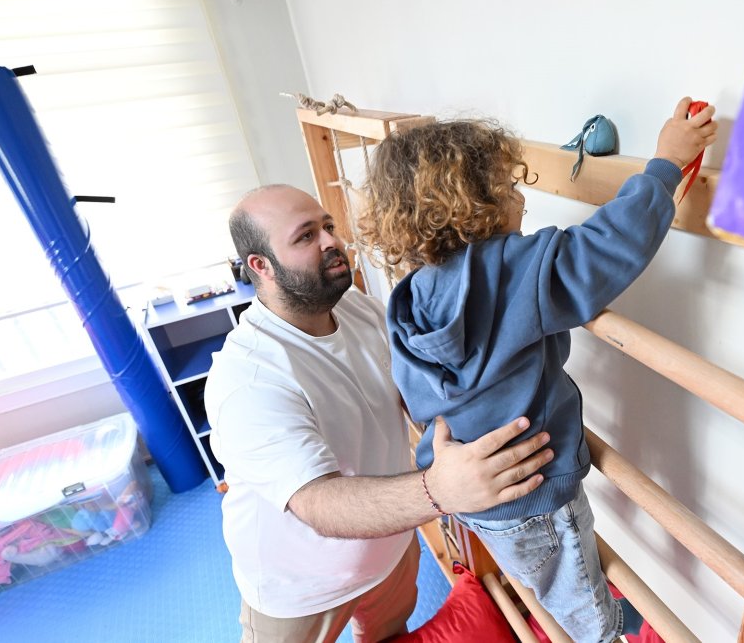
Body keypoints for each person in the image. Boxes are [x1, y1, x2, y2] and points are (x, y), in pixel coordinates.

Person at [358, 98, 717, 642]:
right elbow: (604, 250)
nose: (521, 197)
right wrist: (665, 164)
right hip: (536, 497)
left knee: (543, 576)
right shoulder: (515, 271)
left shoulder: (411, 297)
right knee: (579, 602)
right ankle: (604, 629)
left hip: (471, 499)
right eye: (508, 186)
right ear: (474, 205)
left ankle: (579, 607)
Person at [205, 183, 555, 643]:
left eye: (328, 225)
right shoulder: (248, 379)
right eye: (306, 236)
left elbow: (417, 396)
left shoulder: (359, 310)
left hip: (388, 548)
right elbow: (318, 503)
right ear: (261, 266)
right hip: (299, 588)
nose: (332, 240)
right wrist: (442, 489)